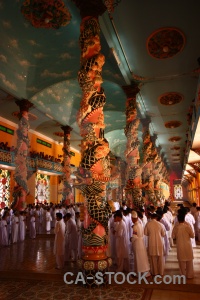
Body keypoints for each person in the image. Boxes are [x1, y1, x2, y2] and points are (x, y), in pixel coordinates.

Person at [172, 212, 194, 279]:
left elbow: (173, 236)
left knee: (181, 261)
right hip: (188, 245)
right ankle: (189, 275)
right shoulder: (187, 227)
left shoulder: (176, 227)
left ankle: (183, 274)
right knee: (189, 261)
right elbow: (192, 236)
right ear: (184, 219)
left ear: (178, 220)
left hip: (180, 244)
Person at [131, 211, 151, 277]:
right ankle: (143, 272)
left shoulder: (135, 226)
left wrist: (131, 239)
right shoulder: (140, 224)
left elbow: (134, 236)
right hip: (141, 242)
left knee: (138, 258)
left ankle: (139, 273)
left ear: (133, 219)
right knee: (142, 257)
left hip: (137, 243)